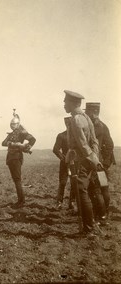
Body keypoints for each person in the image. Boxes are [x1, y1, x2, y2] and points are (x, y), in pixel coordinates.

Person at [63, 90, 102, 235]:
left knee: (82, 192)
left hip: (81, 162)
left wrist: (92, 159)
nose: (63, 104)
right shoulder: (86, 117)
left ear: (73, 103)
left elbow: (83, 144)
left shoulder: (76, 120)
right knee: (84, 192)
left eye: (65, 101)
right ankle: (90, 225)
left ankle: (88, 228)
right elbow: (94, 141)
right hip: (87, 160)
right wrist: (95, 158)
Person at [85, 102, 116, 220]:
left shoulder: (93, 126)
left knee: (96, 190)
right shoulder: (103, 126)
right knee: (104, 188)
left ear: (94, 112)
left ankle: (99, 215)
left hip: (95, 164)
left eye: (87, 112)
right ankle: (104, 215)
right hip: (102, 164)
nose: (85, 114)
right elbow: (109, 145)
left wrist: (102, 163)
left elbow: (108, 145)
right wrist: (106, 163)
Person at [2, 110, 36, 208]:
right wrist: (12, 144)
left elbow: (33, 139)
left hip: (17, 157)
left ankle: (21, 201)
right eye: (11, 124)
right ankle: (20, 200)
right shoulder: (10, 134)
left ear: (18, 124)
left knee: (17, 180)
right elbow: (3, 143)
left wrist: (27, 147)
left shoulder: (22, 133)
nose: (12, 126)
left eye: (14, 124)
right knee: (15, 179)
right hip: (10, 158)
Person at [53, 117, 75, 210]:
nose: (68, 125)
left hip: (75, 163)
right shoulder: (61, 136)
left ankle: (72, 203)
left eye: (70, 124)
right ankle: (59, 202)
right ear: (65, 124)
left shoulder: (77, 137)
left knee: (74, 183)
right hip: (64, 163)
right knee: (62, 183)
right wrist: (64, 159)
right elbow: (55, 149)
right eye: (67, 124)